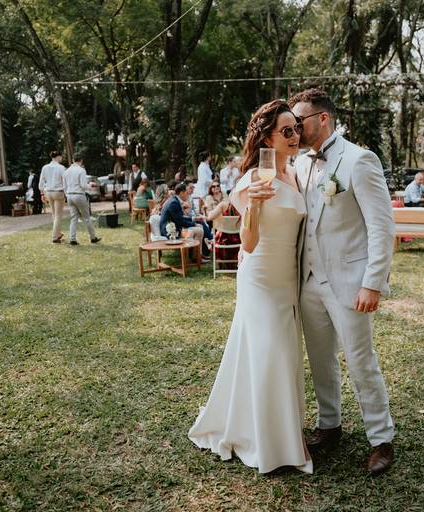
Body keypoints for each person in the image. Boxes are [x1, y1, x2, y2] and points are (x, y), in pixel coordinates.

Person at [188, 99, 311, 474]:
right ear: (267, 139)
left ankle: (282, 431)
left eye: (296, 128)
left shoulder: (297, 173)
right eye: (286, 131)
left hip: (288, 277)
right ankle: (269, 444)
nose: (294, 135)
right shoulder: (253, 180)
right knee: (270, 351)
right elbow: (249, 243)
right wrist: (254, 207)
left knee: (285, 353)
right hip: (260, 276)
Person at [291, 88, 395, 476]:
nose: (294, 129)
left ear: (323, 119)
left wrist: (372, 283)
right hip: (309, 282)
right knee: (320, 360)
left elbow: (381, 227)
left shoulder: (359, 160)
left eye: (299, 121)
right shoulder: (299, 164)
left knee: (360, 361)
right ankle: (329, 424)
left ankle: (381, 439)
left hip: (350, 281)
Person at [159, 182, 211, 259]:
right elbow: (181, 222)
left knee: (199, 229)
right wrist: (194, 224)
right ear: (181, 193)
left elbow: (180, 218)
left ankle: (197, 255)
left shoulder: (175, 200)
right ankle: (195, 256)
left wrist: (194, 219)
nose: (188, 195)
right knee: (197, 229)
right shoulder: (174, 203)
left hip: (176, 226)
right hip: (171, 231)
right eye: (186, 193)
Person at [63, 154, 100, 245]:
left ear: (73, 160)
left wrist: (67, 195)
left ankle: (72, 239)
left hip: (69, 196)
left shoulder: (66, 171)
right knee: (86, 217)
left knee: (74, 218)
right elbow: (83, 185)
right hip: (79, 195)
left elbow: (64, 187)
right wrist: (90, 185)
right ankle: (93, 237)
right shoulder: (81, 170)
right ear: (81, 161)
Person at [39, 150, 67, 243]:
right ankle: (55, 236)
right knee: (58, 215)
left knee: (54, 214)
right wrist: (66, 192)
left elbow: (41, 182)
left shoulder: (45, 167)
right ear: (58, 157)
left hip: (48, 192)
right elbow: (65, 181)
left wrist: (42, 193)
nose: (61, 158)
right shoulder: (61, 168)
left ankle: (58, 234)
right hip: (58, 192)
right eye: (61, 157)